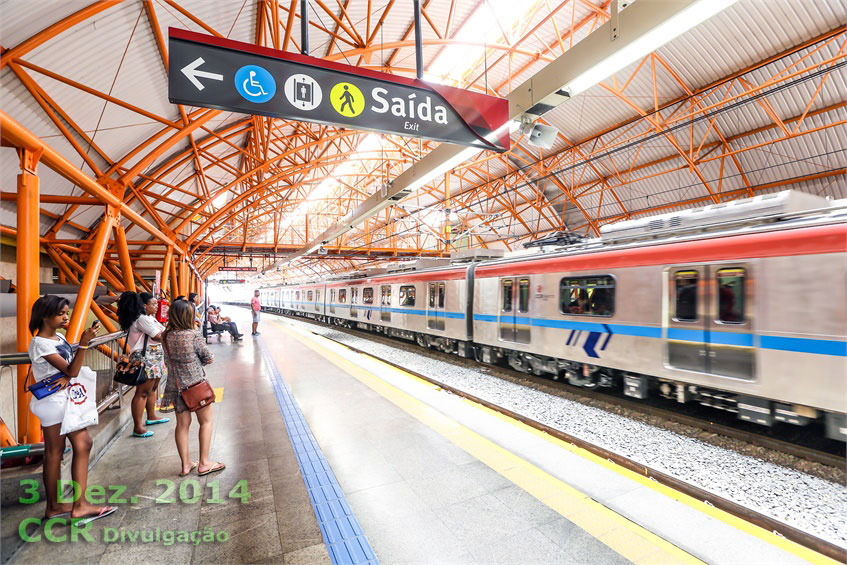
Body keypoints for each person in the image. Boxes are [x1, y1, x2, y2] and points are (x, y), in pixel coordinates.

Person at [28, 295, 117, 524]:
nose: (66, 317)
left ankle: (55, 507)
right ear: (45, 316)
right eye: (61, 314)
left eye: (67, 312)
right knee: (74, 446)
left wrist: (66, 375)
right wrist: (84, 343)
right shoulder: (40, 344)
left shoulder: (56, 337)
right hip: (54, 403)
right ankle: (79, 505)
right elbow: (72, 369)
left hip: (61, 400)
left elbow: (67, 371)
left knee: (56, 452)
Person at [161, 300, 225, 477]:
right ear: (188, 316)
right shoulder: (193, 335)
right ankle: (204, 463)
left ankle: (185, 465)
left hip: (175, 386)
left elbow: (168, 360)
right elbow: (208, 357)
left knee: (182, 425)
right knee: (206, 421)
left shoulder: (165, 335)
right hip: (195, 385)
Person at [117, 292, 169, 438]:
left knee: (152, 389)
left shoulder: (148, 318)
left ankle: (151, 416)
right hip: (146, 358)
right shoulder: (141, 319)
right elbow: (158, 336)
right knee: (142, 392)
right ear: (144, 306)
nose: (157, 306)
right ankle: (138, 427)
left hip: (154, 356)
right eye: (153, 304)